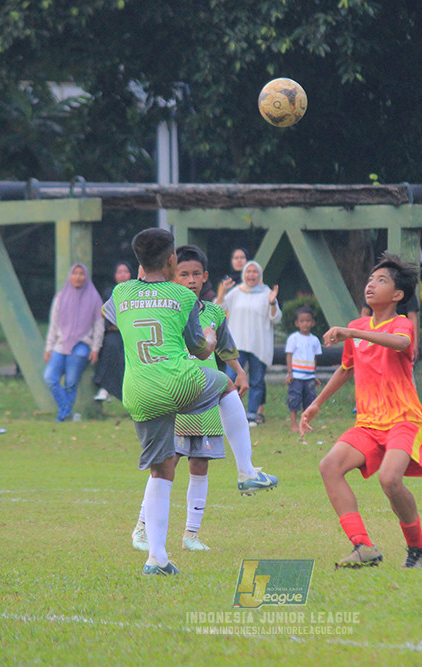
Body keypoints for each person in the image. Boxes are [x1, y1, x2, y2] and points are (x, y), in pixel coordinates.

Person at [102, 228, 278, 576]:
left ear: (139, 265)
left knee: (161, 471)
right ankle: (246, 471)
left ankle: (156, 558)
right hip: (178, 381)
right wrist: (210, 336)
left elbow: (115, 318)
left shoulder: (121, 292)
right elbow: (201, 349)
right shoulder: (182, 299)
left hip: (137, 391)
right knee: (226, 385)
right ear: (171, 262)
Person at [300, 253, 422, 570]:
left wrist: (353, 333)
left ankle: (417, 547)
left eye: (382, 280)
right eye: (371, 279)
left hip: (404, 420)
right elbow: (346, 369)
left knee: (389, 479)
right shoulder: (357, 328)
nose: (371, 284)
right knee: (329, 465)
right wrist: (317, 403)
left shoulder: (401, 324)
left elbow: (400, 344)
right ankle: (363, 546)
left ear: (398, 295)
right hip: (368, 424)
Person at [130, 245, 251, 553]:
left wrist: (239, 371)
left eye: (197, 274)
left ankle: (191, 534)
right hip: (176, 393)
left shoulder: (212, 311)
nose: (191, 279)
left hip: (207, 399)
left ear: (205, 276)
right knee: (167, 461)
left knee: (201, 464)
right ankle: (142, 528)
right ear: (172, 274)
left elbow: (224, 346)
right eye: (184, 273)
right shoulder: (170, 307)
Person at [216, 260, 281, 424]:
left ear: (259, 275)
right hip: (237, 343)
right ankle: (229, 414)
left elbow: (276, 318)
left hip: (259, 344)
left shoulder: (267, 293)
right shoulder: (236, 292)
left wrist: (272, 302)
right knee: (230, 378)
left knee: (256, 380)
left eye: (254, 272)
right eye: (248, 271)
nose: (251, 275)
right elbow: (218, 308)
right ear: (244, 274)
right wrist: (223, 292)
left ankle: (252, 414)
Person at [43, 263, 104, 422]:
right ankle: (66, 412)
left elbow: (99, 325)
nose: (78, 277)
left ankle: (64, 415)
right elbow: (53, 324)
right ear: (70, 276)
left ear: (86, 277)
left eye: (81, 274)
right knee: (50, 377)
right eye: (75, 273)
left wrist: (95, 348)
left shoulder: (94, 297)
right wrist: (49, 347)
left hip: (82, 345)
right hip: (61, 344)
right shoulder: (60, 297)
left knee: (71, 383)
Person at [93, 260, 134, 403]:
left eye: (125, 271)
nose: (122, 275)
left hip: (132, 333)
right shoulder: (109, 292)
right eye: (119, 272)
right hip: (113, 333)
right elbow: (103, 315)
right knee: (110, 346)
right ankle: (105, 388)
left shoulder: (136, 292)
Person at [285, 306, 322, 432]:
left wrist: (314, 375)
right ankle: (293, 423)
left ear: (312, 322)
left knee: (310, 400)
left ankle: (305, 423)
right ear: (297, 323)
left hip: (309, 377)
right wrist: (290, 373)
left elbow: (314, 359)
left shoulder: (315, 340)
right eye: (302, 321)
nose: (305, 324)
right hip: (297, 376)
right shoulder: (293, 338)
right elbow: (289, 355)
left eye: (308, 321)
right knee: (294, 399)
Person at [360, 290, 420, 363]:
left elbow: (413, 318)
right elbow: (364, 314)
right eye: (371, 279)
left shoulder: (407, 291)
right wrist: (367, 338)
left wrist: (414, 345)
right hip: (375, 341)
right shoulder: (372, 290)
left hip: (399, 341)